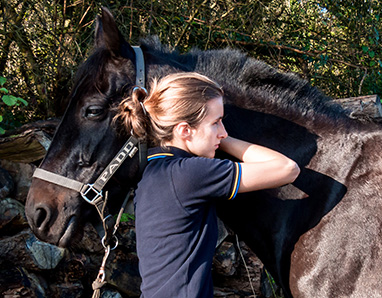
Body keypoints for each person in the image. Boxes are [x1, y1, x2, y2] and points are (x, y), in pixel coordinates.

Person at [115, 72, 300, 297]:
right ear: (185, 130)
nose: (223, 132)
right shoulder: (190, 174)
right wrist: (224, 142)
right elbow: (287, 168)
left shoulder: (153, 172)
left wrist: (210, 136)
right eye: (216, 123)